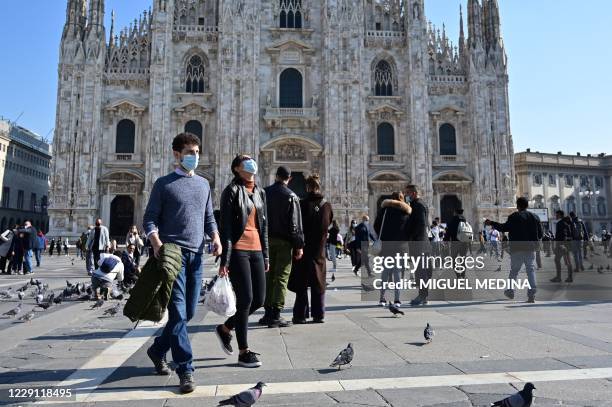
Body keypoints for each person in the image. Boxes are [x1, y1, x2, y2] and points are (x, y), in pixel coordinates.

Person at [143, 132, 221, 393]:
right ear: (176, 155)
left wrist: (216, 237)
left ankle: (157, 350)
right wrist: (157, 245)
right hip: (173, 255)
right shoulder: (163, 184)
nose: (194, 157)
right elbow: (150, 219)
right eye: (189, 152)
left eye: (197, 152)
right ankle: (185, 369)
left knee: (187, 313)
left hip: (197, 256)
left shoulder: (203, 184)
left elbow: (209, 217)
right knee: (177, 313)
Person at [216, 154, 268, 368]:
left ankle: (226, 328)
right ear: (237, 168)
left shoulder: (260, 192)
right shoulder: (231, 191)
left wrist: (266, 254)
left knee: (259, 300)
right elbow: (226, 227)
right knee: (245, 299)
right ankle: (244, 351)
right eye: (245, 161)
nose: (251, 163)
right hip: (238, 250)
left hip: (257, 249)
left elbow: (264, 226)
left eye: (251, 160)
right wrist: (224, 261)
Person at [260, 166, 304, 328]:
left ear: (275, 176)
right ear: (289, 179)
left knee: (268, 276)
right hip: (284, 243)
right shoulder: (291, 196)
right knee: (281, 277)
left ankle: (266, 313)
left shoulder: (263, 193)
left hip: (265, 241)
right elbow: (295, 225)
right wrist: (298, 245)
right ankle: (276, 314)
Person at [288, 174, 333, 324]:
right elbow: (330, 222)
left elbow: (295, 225)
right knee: (319, 281)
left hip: (304, 248)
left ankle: (300, 315)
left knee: (302, 282)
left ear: (307, 187)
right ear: (319, 186)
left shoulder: (301, 204)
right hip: (319, 249)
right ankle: (319, 314)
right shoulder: (327, 205)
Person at [486, 197, 543, 303]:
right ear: (527, 205)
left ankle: (510, 291)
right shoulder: (535, 217)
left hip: (517, 248)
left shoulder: (514, 216)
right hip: (530, 248)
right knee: (530, 270)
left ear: (518, 206)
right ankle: (532, 294)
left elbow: (504, 228)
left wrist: (492, 223)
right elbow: (540, 234)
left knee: (514, 271)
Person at [373, 191, 411, 307]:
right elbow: (410, 229)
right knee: (398, 273)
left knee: (385, 272)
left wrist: (384, 235)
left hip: (387, 245)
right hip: (401, 246)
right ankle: (397, 300)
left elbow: (376, 225)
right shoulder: (406, 212)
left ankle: (382, 298)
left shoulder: (384, 211)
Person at [404, 185, 432, 306]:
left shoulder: (418, 205)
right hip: (422, 241)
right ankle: (424, 295)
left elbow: (420, 224)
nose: (406, 196)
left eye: (408, 193)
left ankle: (422, 295)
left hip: (418, 242)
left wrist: (411, 236)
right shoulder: (421, 204)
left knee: (420, 271)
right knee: (423, 270)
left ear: (414, 193)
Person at [444, 208, 470, 278]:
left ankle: (458, 274)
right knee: (463, 259)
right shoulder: (465, 221)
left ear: (455, 213)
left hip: (455, 242)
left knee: (453, 259)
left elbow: (448, 231)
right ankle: (463, 274)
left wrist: (445, 240)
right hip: (464, 243)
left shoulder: (453, 220)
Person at [551, 210, 574, 283]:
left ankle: (559, 277)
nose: (556, 216)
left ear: (560, 215)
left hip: (561, 245)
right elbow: (569, 235)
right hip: (567, 245)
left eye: (557, 215)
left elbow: (560, 236)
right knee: (567, 261)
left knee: (557, 260)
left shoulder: (560, 223)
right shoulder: (567, 223)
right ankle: (569, 277)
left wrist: (558, 245)